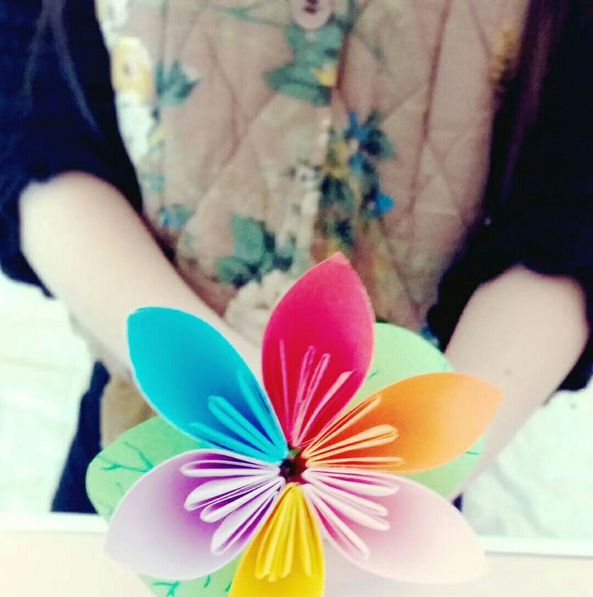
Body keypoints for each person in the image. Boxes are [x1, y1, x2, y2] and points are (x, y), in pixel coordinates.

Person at [1, 0, 592, 512]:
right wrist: (226, 392)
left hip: (402, 476)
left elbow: (571, 208)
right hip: (142, 437)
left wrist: (411, 471)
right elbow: (35, 127)